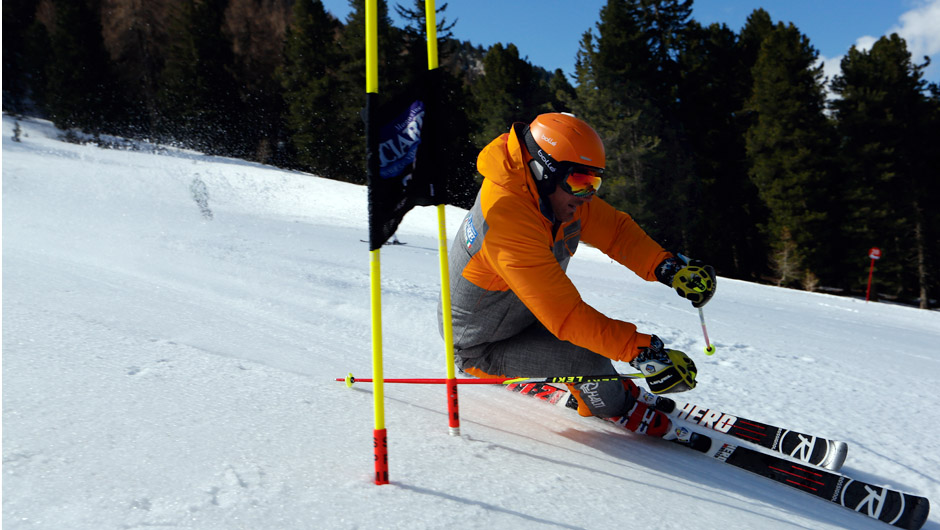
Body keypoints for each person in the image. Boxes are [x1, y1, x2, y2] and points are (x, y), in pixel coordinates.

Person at [441, 112, 716, 439]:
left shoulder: (555, 192)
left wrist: (668, 267)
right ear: (543, 169)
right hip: (481, 345)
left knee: (596, 345)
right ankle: (614, 407)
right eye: (580, 182)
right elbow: (566, 316)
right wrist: (644, 352)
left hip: (525, 318)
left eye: (594, 183)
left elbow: (615, 232)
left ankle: (606, 386)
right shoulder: (506, 218)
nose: (587, 195)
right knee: (587, 362)